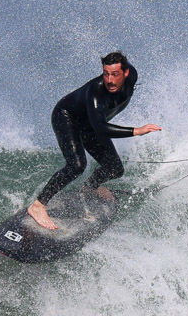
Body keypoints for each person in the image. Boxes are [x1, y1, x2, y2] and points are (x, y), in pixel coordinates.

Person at [27, 51, 162, 230]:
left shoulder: (132, 75)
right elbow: (101, 128)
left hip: (90, 123)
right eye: (106, 74)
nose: (110, 80)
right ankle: (38, 205)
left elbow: (98, 124)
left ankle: (90, 187)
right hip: (67, 118)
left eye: (115, 74)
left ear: (126, 73)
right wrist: (136, 131)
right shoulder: (96, 92)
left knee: (115, 168)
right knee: (76, 165)